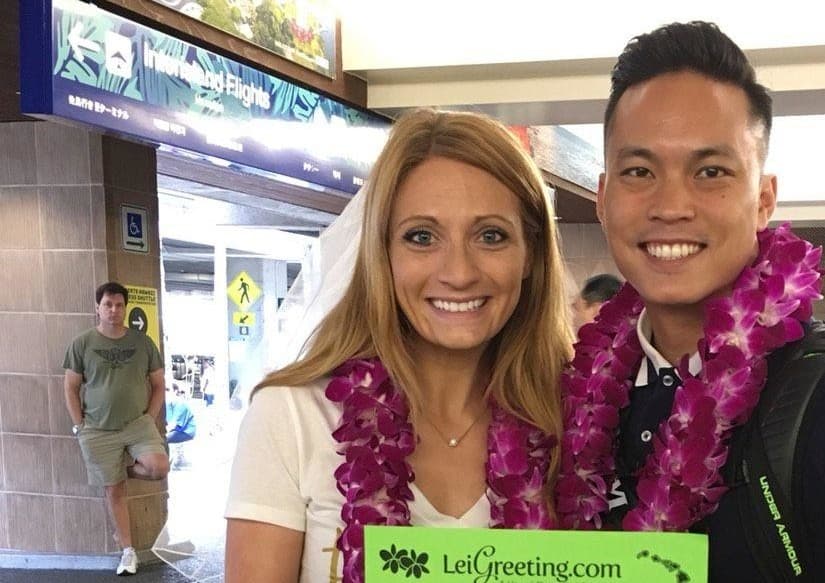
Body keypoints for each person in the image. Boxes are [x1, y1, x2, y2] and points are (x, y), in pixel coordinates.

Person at [556, 22, 825, 582]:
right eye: (639, 171)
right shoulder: (567, 404)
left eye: (711, 172)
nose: (671, 205)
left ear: (763, 200)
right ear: (604, 198)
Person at [224, 110, 573, 583]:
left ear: (530, 255)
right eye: (421, 237)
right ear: (382, 252)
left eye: (491, 235)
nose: (458, 272)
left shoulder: (572, 418)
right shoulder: (292, 417)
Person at [63, 281, 169, 576]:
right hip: (97, 429)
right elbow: (70, 387)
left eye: (119, 305)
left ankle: (120, 469)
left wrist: (150, 416)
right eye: (107, 304)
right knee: (114, 490)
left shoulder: (142, 342)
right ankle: (127, 551)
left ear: (125, 308)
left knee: (159, 467)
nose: (113, 310)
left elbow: (159, 384)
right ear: (97, 308)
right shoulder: (82, 343)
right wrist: (78, 427)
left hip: (137, 425)